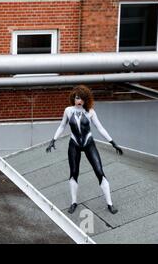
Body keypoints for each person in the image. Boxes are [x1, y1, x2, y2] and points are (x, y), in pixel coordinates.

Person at [45, 85, 123, 215]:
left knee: (99, 171)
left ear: (86, 99)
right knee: (74, 172)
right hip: (74, 143)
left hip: (88, 143)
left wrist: (112, 142)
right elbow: (62, 126)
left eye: (81, 98)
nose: (79, 100)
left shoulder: (90, 112)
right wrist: (53, 140)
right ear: (73, 98)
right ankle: (73, 202)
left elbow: (100, 128)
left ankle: (110, 203)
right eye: (77, 98)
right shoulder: (68, 110)